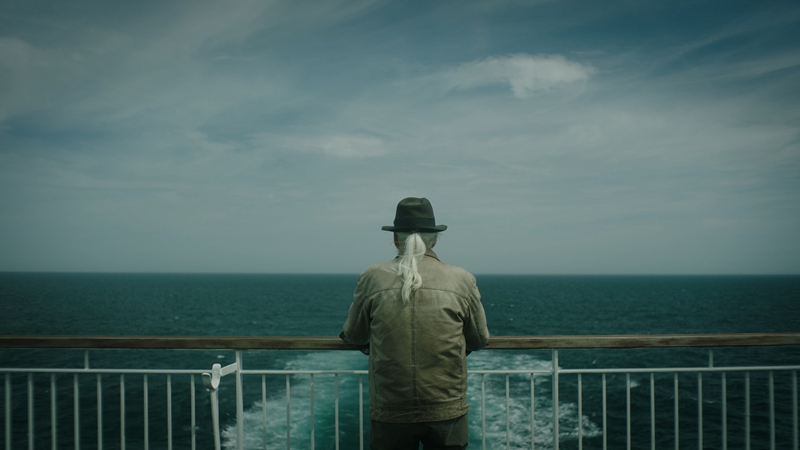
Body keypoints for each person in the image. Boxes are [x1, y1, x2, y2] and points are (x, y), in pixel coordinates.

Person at [341, 197, 490, 450]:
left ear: (396, 239)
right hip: (446, 407)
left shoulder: (372, 276)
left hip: (391, 407)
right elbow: (479, 339)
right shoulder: (462, 279)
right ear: (433, 240)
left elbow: (354, 334)